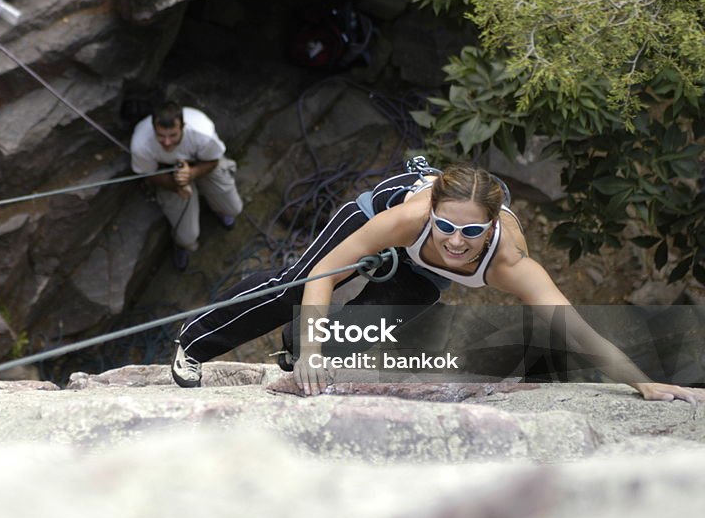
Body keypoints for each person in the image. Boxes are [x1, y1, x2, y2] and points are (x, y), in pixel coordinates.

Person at [170, 159, 705, 404]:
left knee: (370, 327)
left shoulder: (508, 261)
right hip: (379, 224)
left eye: (471, 231)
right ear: (433, 215)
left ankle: (293, 345)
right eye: (446, 226)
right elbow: (321, 277)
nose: (455, 240)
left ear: (492, 226)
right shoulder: (407, 217)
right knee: (295, 287)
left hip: (420, 269)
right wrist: (312, 348)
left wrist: (642, 381)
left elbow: (575, 329)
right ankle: (193, 342)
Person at [130, 102, 243, 271]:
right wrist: (176, 186)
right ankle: (181, 244)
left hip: (202, 164)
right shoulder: (141, 143)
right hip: (167, 174)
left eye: (173, 135)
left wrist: (192, 173)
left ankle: (217, 206)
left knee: (234, 209)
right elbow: (149, 173)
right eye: (160, 136)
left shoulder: (202, 132)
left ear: (183, 126)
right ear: (153, 127)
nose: (167, 142)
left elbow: (213, 161)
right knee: (187, 237)